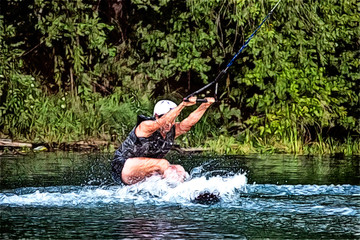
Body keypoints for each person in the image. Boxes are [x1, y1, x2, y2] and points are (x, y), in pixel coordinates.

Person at [112, 96, 215, 185]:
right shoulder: (146, 126)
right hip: (123, 168)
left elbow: (187, 124)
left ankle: (185, 192)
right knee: (163, 164)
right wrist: (183, 105)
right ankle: (174, 191)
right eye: (168, 118)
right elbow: (163, 121)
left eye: (173, 119)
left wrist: (205, 105)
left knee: (178, 169)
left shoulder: (171, 130)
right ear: (156, 116)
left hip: (142, 170)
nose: (169, 123)